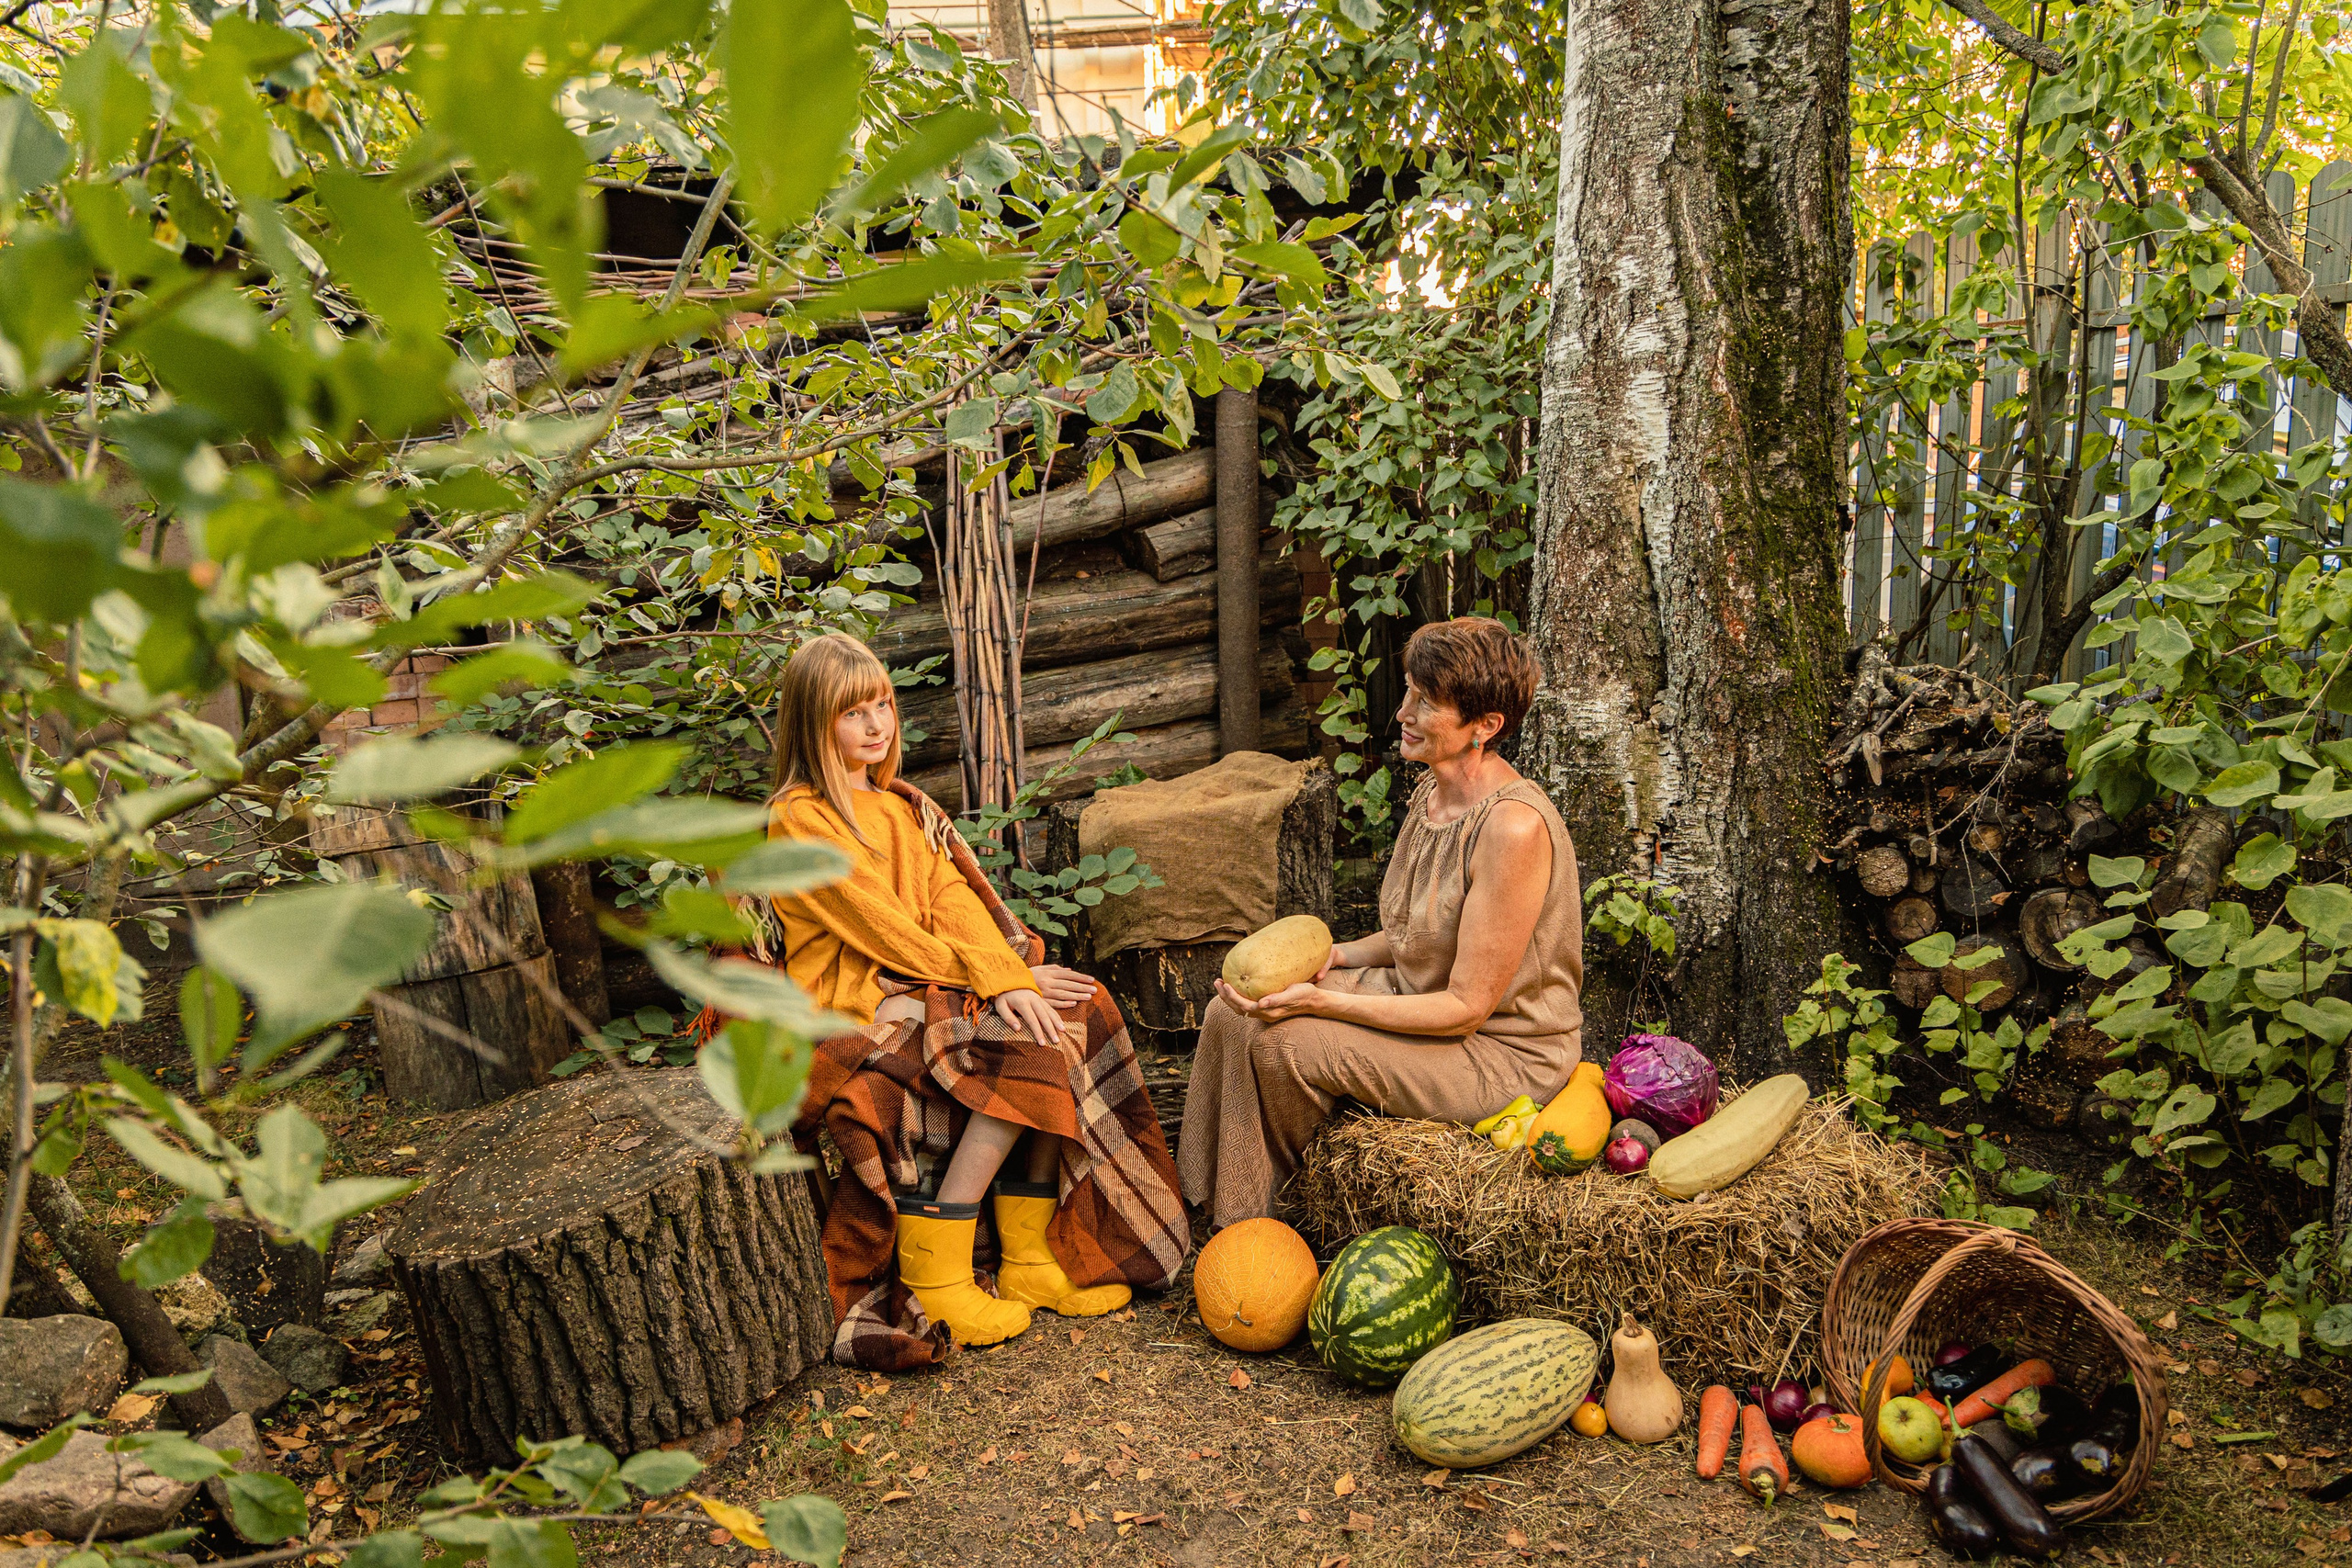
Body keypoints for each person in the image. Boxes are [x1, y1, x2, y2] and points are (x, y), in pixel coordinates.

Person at [765, 633, 1186, 1363]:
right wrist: (991, 981)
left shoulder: (903, 809)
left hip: (922, 985)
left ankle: (1028, 1256)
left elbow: (953, 904)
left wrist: (1010, 973)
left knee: (1074, 1012)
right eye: (853, 712)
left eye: (884, 705)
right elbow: (885, 931)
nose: (877, 726)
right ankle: (938, 1268)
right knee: (1016, 1034)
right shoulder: (799, 818)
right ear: (813, 721)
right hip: (851, 1011)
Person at [1178, 616, 1584, 1229]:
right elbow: (1414, 936)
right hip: (1418, 1000)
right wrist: (1337, 959)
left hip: (1498, 1052)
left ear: (1486, 726)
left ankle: (1294, 1219)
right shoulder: (1433, 794)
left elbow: (1465, 1009)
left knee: (1286, 1042)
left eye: (1426, 701)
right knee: (1231, 1011)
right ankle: (1224, 1209)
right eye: (1408, 692)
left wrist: (1320, 1002)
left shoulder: (1513, 828)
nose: (1403, 712)